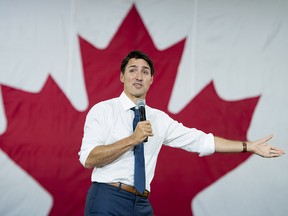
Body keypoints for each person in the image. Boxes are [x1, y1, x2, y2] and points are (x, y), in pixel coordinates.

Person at [78, 50, 285, 216]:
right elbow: (88, 159)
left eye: (145, 72)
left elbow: (201, 141)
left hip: (141, 203)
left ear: (151, 80)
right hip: (108, 198)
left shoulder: (159, 119)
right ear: (122, 76)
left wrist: (249, 146)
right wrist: (132, 139)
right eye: (132, 70)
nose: (139, 76)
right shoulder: (103, 110)